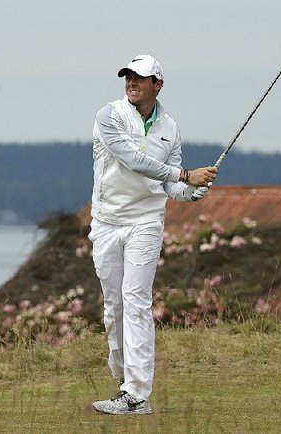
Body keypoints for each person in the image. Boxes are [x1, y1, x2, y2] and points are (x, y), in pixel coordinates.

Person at [89, 54, 217, 415]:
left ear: (157, 84)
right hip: (107, 222)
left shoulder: (170, 128)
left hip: (146, 222)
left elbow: (169, 185)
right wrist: (183, 176)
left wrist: (192, 191)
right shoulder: (109, 115)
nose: (132, 82)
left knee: (136, 300)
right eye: (128, 76)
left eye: (140, 78)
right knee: (113, 307)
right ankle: (123, 378)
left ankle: (136, 393)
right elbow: (133, 160)